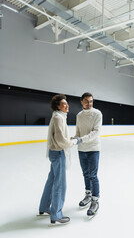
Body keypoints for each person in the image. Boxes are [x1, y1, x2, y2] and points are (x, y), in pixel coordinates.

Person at [39, 94, 81, 225]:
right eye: (63, 104)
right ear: (57, 106)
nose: (67, 105)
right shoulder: (58, 118)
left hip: (54, 153)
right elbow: (61, 140)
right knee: (60, 184)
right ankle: (56, 215)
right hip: (58, 153)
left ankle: (44, 207)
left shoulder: (58, 116)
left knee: (52, 180)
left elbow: (60, 138)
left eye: (67, 103)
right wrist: (74, 142)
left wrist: (70, 140)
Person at [73, 92, 102, 216]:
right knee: (85, 173)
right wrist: (74, 140)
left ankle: (95, 201)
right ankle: (88, 195)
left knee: (93, 175)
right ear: (81, 102)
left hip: (93, 148)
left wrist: (81, 140)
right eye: (86, 101)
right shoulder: (79, 115)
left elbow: (96, 132)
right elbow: (78, 131)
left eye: (91, 101)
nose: (89, 103)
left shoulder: (97, 113)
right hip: (82, 149)